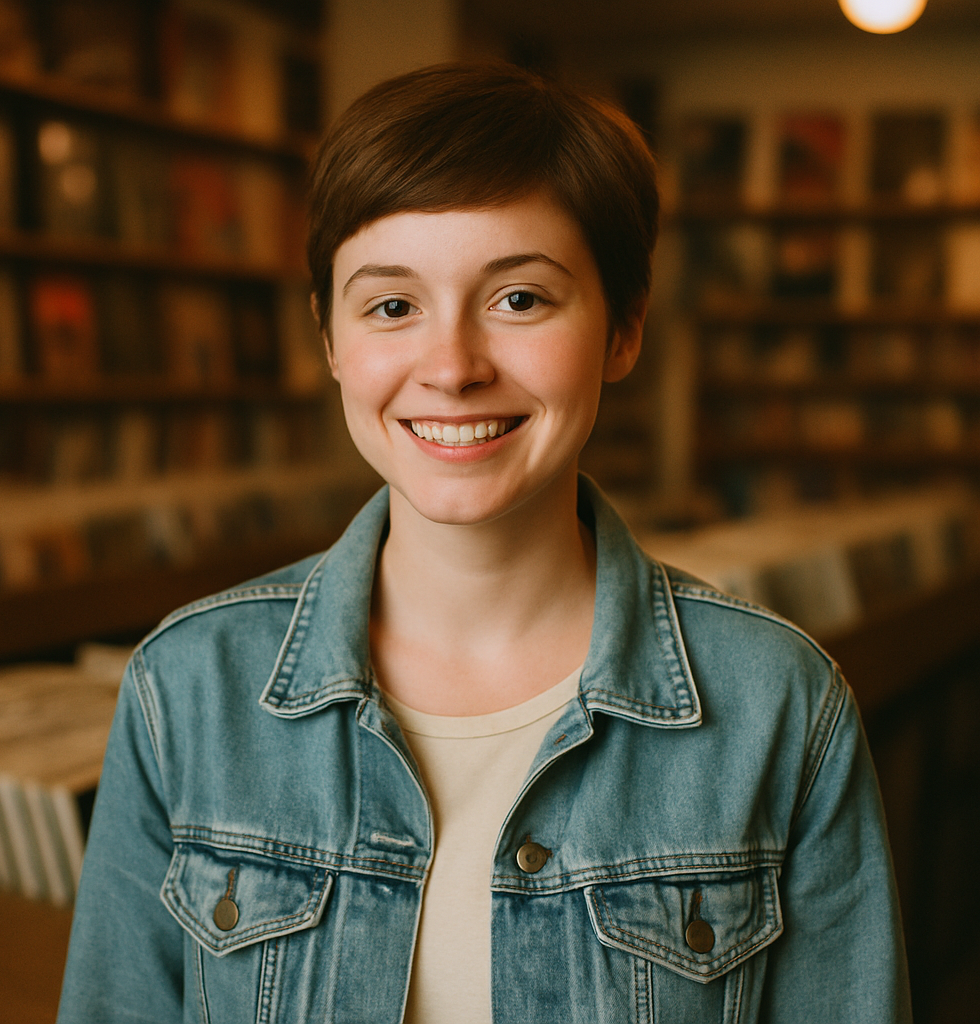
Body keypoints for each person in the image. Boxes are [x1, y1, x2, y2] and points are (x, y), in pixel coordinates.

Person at [57, 62, 911, 1023]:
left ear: (623, 329)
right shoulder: (186, 688)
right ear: (330, 339)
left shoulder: (780, 705)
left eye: (520, 300)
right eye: (392, 306)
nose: (453, 367)